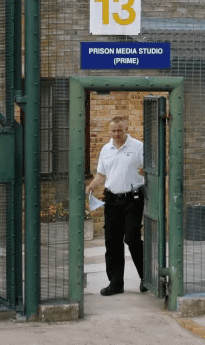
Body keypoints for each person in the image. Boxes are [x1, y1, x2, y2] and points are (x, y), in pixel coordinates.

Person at [85, 114, 147, 296]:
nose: (116, 133)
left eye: (120, 130)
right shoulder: (106, 149)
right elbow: (102, 175)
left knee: (133, 239)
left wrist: (146, 172)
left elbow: (150, 171)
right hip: (112, 200)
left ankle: (147, 278)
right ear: (109, 130)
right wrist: (91, 186)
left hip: (133, 199)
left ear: (126, 128)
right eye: (113, 130)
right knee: (112, 242)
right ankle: (115, 283)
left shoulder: (138, 147)